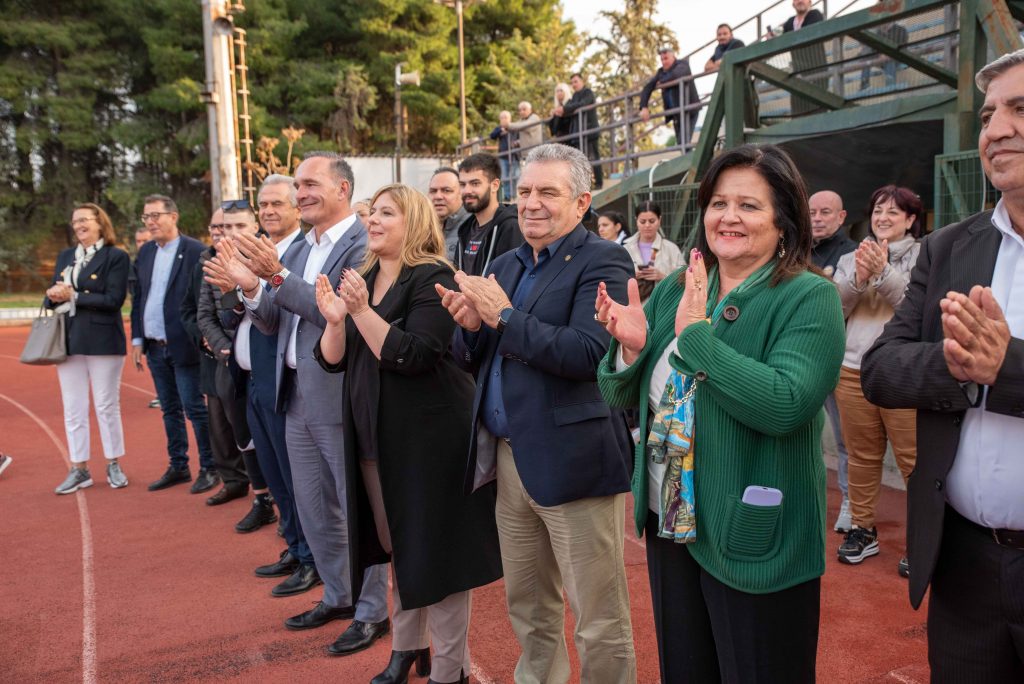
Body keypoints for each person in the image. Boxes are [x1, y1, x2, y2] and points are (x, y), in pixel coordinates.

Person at [596, 144, 845, 683]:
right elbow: (620, 395)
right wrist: (632, 350)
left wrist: (698, 339)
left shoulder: (808, 297)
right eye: (718, 203)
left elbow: (786, 404)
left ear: (784, 221)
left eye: (749, 206)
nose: (728, 217)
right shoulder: (676, 287)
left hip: (751, 529)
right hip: (672, 514)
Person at [440, 143, 637, 683]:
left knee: (597, 617)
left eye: (548, 192)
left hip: (573, 459)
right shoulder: (505, 262)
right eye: (525, 191)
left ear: (581, 202)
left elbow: (588, 353)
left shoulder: (604, 260)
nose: (532, 203)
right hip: (508, 457)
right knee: (528, 607)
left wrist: (500, 316)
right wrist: (471, 326)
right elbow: (470, 358)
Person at [861, 50, 1024, 681]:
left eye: (1019, 109)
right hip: (964, 570)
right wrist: (960, 364)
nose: (996, 129)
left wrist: (1004, 367)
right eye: (987, 115)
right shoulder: (952, 245)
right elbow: (880, 370)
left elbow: (997, 365)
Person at [314, 184, 502, 684]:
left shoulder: (431, 276)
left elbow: (414, 355)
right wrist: (336, 321)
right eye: (371, 212)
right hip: (374, 439)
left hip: (428, 441)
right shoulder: (366, 277)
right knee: (399, 545)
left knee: (436, 554)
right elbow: (332, 361)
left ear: (412, 221)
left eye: (386, 213)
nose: (372, 220)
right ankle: (406, 648)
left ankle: (449, 669)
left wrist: (359, 312)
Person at [223, 152, 389, 651]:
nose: (302, 194)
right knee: (316, 509)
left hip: (340, 397)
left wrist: (273, 277)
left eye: (311, 184)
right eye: (298, 185)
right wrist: (253, 286)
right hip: (294, 395)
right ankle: (337, 594)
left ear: (343, 188)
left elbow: (333, 313)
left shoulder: (364, 244)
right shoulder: (296, 250)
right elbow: (274, 320)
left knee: (355, 507)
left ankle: (372, 610)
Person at [204, 174, 319, 597]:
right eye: (263, 204)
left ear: (296, 208)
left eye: (277, 203)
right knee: (273, 473)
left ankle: (312, 558)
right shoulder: (252, 250)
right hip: (251, 378)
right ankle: (294, 546)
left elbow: (283, 313)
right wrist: (234, 289)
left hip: (283, 380)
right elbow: (238, 313)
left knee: (295, 477)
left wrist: (252, 283)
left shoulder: (304, 252)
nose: (268, 211)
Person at [834, 185, 921, 573]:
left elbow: (914, 306)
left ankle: (922, 539)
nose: (884, 218)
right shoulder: (852, 256)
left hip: (902, 370)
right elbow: (834, 306)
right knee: (862, 457)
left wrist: (883, 272)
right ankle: (862, 528)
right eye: (878, 211)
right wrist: (859, 276)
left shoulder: (924, 255)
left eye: (894, 212)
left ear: (911, 219)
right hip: (853, 369)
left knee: (913, 459)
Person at [196, 202, 279, 532]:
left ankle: (282, 505)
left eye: (239, 226)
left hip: (266, 362)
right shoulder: (214, 262)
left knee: (273, 437)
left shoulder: (268, 257)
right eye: (225, 227)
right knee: (243, 434)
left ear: (255, 226)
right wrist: (222, 346)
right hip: (230, 362)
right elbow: (206, 314)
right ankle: (260, 499)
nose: (230, 233)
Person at [130, 194, 217, 492]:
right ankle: (178, 465)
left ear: (174, 216)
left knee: (195, 408)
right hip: (154, 345)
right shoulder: (145, 253)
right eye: (146, 217)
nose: (151, 222)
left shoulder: (195, 251)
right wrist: (138, 338)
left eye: (156, 215)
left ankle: (209, 466)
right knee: (169, 409)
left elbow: (202, 300)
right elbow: (139, 296)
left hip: (183, 344)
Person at [45, 203, 131, 494]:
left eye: (84, 220)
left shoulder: (115, 256)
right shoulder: (66, 256)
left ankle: (113, 463)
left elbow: (114, 300)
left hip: (103, 341)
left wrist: (75, 295)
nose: (78, 225)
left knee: (106, 405)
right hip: (68, 340)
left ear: (99, 223)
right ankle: (79, 467)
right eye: (74, 221)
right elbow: (54, 296)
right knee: (73, 408)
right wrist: (53, 294)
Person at [809, 189, 857, 532]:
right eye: (812, 212)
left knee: (845, 440)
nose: (817, 218)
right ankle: (801, 498)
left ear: (841, 217)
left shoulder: (852, 253)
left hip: (840, 360)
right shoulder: (793, 249)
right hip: (799, 357)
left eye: (825, 212)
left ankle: (850, 505)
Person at [455, 153, 523, 276]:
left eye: (475, 183)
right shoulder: (464, 230)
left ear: (494, 185)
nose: (467, 191)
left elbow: (512, 279)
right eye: (462, 184)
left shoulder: (511, 227)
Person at [622, 201, 685, 303]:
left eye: (652, 221)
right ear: (636, 220)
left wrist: (663, 277)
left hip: (663, 306)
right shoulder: (625, 249)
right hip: (633, 307)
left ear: (659, 220)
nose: (647, 225)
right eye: (642, 221)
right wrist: (631, 277)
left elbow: (685, 280)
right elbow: (616, 279)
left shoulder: (671, 249)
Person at [639, 47, 701, 148]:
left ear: (673, 57)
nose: (663, 62)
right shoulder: (661, 72)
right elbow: (647, 87)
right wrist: (643, 107)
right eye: (662, 59)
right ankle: (689, 161)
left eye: (666, 58)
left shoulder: (683, 65)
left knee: (683, 142)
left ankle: (692, 162)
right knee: (681, 143)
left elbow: (677, 75)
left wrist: (661, 81)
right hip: (676, 114)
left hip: (689, 110)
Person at [556, 73, 603, 189]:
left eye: (576, 81)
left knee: (594, 157)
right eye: (572, 83)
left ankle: (599, 182)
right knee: (581, 160)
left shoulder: (588, 93)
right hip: (578, 133)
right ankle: (585, 185)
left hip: (590, 130)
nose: (574, 84)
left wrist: (565, 109)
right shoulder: (575, 96)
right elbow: (571, 106)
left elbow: (582, 104)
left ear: (582, 81)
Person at [782, 0, 827, 116]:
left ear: (810, 2)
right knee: (798, 111)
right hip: (799, 72)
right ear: (793, 4)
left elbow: (806, 35)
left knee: (817, 109)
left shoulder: (815, 14)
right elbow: (782, 41)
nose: (800, 1)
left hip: (817, 70)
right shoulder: (789, 22)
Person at [428, 167, 468, 262]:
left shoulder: (473, 228)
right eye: (433, 191)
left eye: (446, 190)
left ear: (461, 194)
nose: (438, 196)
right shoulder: (419, 229)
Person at [489, 110, 517, 201]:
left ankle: (513, 195)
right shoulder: (499, 128)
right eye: (502, 118)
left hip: (514, 155)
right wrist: (501, 130)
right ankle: (507, 195)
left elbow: (519, 137)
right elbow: (492, 136)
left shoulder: (514, 127)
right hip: (503, 156)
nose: (504, 119)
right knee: (504, 177)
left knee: (514, 176)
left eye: (506, 117)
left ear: (510, 119)